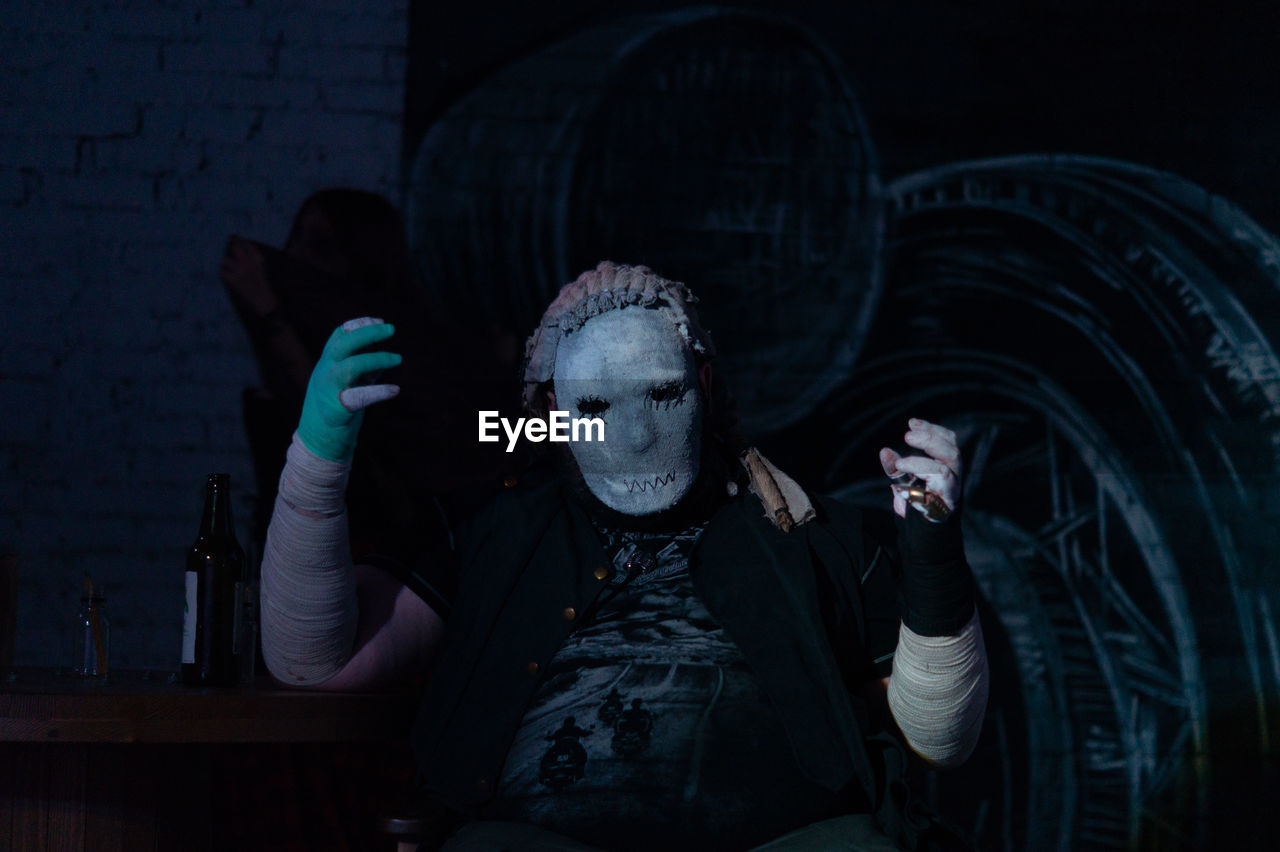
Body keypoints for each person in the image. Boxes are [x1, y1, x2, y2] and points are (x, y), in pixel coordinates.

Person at [260, 261, 989, 850]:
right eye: (598, 405)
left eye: (663, 392)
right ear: (550, 408)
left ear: (703, 383)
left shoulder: (815, 533)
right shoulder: (496, 532)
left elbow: (941, 737)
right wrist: (317, 460)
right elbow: (313, 659)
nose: (637, 437)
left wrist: (931, 554)